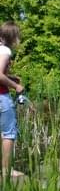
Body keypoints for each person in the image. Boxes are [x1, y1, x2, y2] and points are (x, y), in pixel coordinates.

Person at [0, 22, 24, 177]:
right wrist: (16, 87)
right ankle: (6, 171)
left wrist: (11, 77)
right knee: (9, 133)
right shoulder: (5, 50)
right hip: (1, 96)